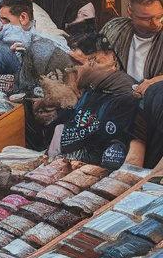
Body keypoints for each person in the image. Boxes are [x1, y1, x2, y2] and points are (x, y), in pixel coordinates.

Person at [42, 34, 138, 168]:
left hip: (88, 173)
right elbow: (73, 122)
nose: (71, 69)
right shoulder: (94, 88)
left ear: (103, 61)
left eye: (77, 64)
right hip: (62, 166)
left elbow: (111, 154)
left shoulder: (126, 97)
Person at [0, 0, 76, 94]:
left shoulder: (43, 47)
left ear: (23, 18)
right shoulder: (22, 46)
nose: (2, 27)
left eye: (6, 21)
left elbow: (29, 89)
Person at [101, 0, 163, 93]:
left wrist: (157, 81)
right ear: (130, 12)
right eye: (146, 19)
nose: (155, 24)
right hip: (117, 96)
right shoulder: (115, 29)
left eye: (159, 17)